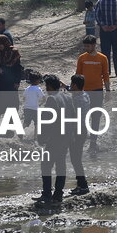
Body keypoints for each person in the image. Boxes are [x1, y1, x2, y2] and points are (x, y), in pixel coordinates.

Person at [35, 75, 72, 208]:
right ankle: (58, 194)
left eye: (46, 86)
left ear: (49, 86)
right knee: (61, 164)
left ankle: (46, 194)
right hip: (66, 137)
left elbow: (47, 119)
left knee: (46, 166)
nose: (46, 89)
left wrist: (42, 137)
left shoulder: (51, 99)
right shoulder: (67, 97)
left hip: (55, 137)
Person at [75, 35, 111, 152]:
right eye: (85, 45)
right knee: (82, 116)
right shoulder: (82, 58)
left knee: (96, 116)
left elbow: (105, 75)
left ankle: (93, 142)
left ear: (94, 45)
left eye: (88, 46)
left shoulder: (103, 58)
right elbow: (77, 75)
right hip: (84, 92)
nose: (86, 48)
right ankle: (80, 139)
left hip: (97, 91)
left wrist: (108, 91)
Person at [0, 35, 23, 133]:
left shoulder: (14, 52)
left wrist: (17, 82)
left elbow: (18, 68)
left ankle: (9, 128)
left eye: (0, 44)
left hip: (10, 82)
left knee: (11, 106)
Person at [67, 74, 91, 195]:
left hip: (77, 131)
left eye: (71, 84)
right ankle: (80, 184)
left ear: (75, 85)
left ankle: (83, 185)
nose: (70, 86)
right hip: (83, 130)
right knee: (77, 158)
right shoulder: (85, 94)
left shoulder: (76, 99)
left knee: (75, 159)